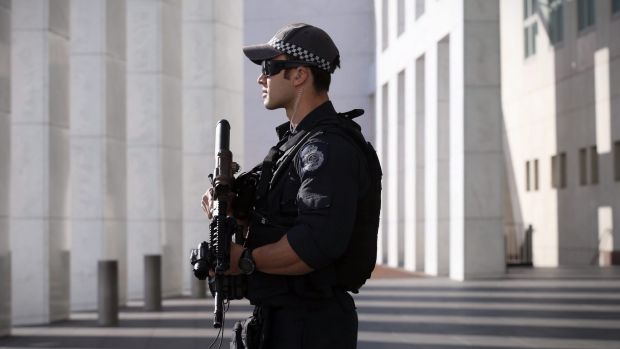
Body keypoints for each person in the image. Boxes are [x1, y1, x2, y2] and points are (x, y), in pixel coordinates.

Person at [202, 23, 372, 349]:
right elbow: (277, 222)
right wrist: (232, 213)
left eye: (268, 67)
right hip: (280, 318)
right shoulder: (294, 145)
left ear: (299, 76)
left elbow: (314, 244)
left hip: (311, 326)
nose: (260, 78)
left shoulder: (326, 149)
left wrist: (245, 259)